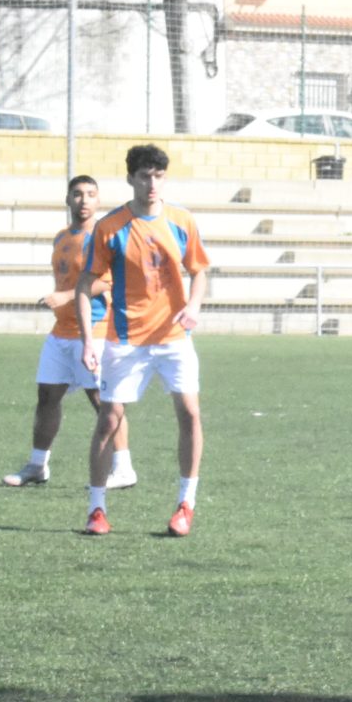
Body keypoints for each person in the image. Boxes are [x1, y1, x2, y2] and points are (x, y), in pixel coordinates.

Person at [79, 144, 212, 538]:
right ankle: (96, 509)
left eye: (158, 176)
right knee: (109, 419)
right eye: (144, 176)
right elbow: (85, 285)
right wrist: (88, 341)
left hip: (174, 337)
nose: (151, 183)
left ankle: (186, 504)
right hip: (126, 340)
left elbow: (199, 270)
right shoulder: (110, 227)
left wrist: (193, 305)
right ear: (130, 178)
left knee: (190, 413)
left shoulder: (182, 221)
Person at [4, 175, 134, 490]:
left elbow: (108, 281)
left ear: (98, 200)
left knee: (103, 400)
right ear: (68, 199)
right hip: (61, 332)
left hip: (95, 330)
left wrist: (66, 296)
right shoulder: (62, 237)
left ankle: (124, 468)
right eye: (77, 194)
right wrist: (63, 299)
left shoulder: (102, 237)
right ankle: (38, 465)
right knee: (47, 397)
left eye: (90, 194)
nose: (83, 200)